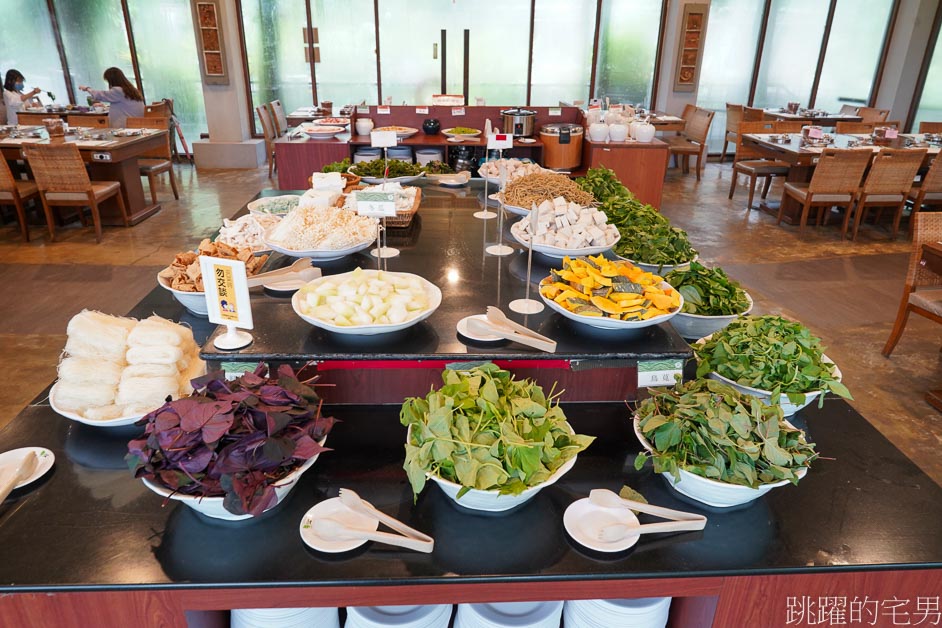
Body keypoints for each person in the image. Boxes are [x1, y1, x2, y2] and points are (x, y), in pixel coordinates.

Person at [79, 67, 144, 128]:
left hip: (124, 127)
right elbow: (124, 105)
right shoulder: (132, 90)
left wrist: (87, 88)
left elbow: (101, 95)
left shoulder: (118, 90)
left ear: (111, 80)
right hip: (137, 124)